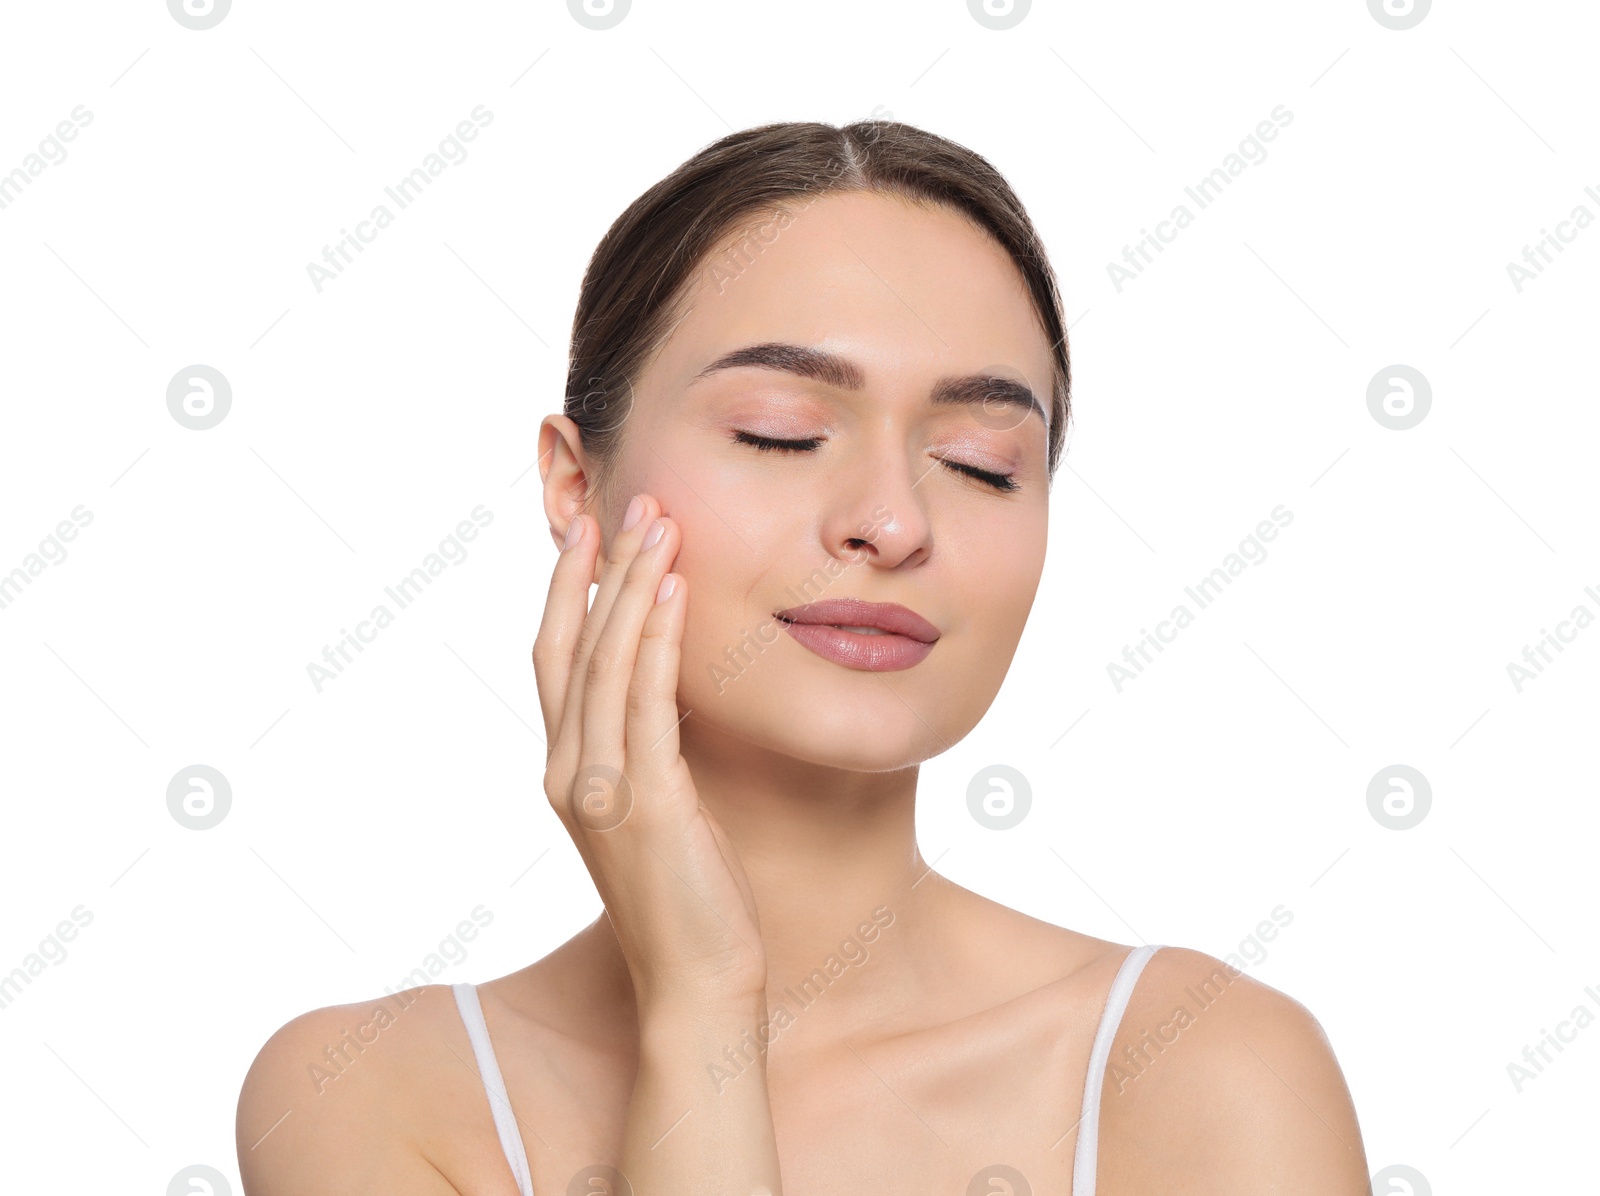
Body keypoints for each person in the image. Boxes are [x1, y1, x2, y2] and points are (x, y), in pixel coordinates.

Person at [237, 119, 1369, 1194]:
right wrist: (700, 1005)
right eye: (780, 431)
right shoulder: (371, 1091)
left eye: (980, 461)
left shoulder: (1203, 1068)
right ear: (575, 485)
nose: (892, 520)